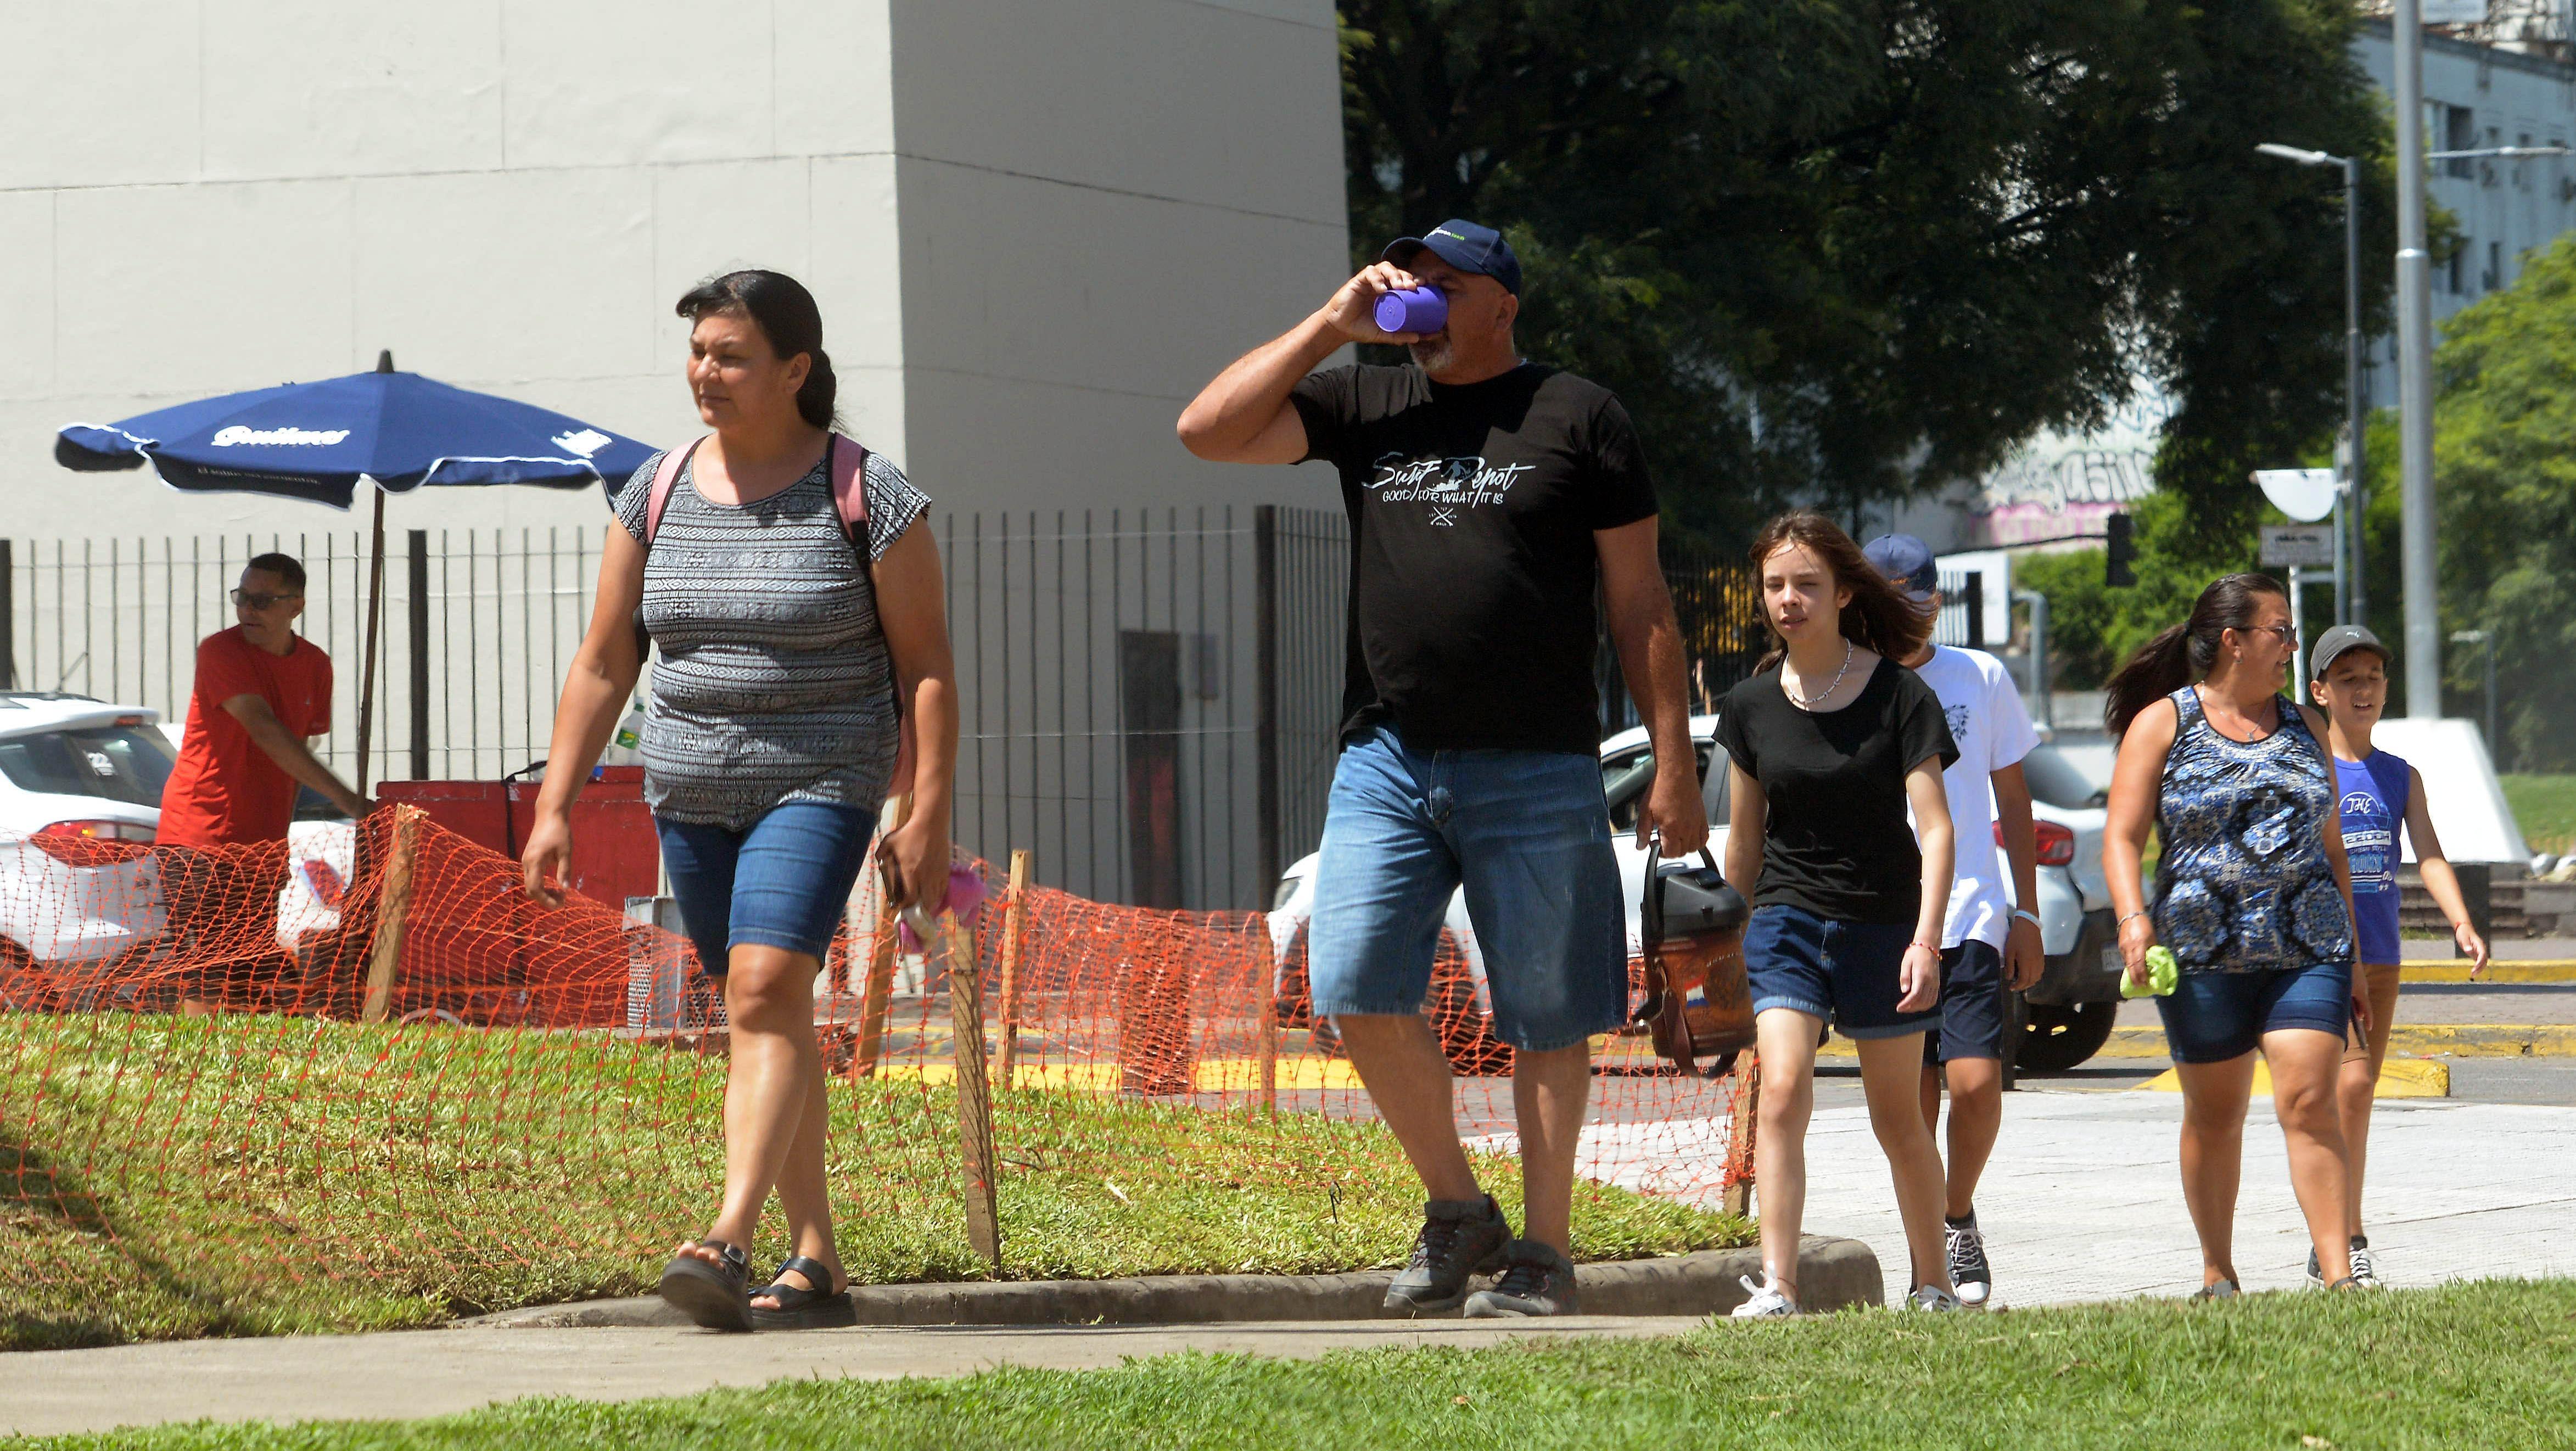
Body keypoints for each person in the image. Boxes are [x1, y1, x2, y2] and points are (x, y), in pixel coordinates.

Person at [1177, 219, 1704, 1318]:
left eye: (1442, 284)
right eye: (1407, 278)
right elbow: (1207, 432)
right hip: (1388, 754)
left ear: (1501, 302)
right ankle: (1460, 1208)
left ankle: (1546, 1254)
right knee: (1354, 980)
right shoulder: (1365, 403)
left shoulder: (1578, 415)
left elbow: (1641, 601)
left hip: (1538, 761)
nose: (1415, 296)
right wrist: (1334, 322)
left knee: (1549, 1015)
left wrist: (1673, 761)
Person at [522, 270, 958, 1332]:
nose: (704, 373)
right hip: (690, 784)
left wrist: (927, 809)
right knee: (765, 1015)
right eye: (700, 352)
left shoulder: (868, 493)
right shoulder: (657, 488)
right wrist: (556, 802)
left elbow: (928, 668)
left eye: (730, 355)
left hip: (822, 775)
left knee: (763, 990)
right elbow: (602, 659)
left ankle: (725, 1234)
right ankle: (819, 1260)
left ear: (796, 370)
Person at [1720, 512, 1962, 1317]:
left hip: (1885, 925)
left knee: (1899, 1116)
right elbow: (1747, 841)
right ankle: (1780, 1286)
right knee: (1783, 1090)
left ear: (1844, 591)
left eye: (1807, 584)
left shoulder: (1900, 694)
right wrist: (1729, 938)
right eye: (1775, 585)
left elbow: (1935, 827)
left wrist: (1927, 939)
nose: (1789, 599)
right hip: (1786, 919)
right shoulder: (1751, 704)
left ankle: (1933, 1282)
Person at [2102, 574, 2366, 1297]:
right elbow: (2121, 838)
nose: (2290, 644)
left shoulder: (2309, 726)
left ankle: (2340, 1275)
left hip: (2309, 944)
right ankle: (2218, 1269)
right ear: (2233, 640)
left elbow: (2333, 847)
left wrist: (2360, 963)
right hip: (2200, 952)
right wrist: (2133, 920)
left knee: (2310, 1100)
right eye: (2279, 630)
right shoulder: (2166, 721)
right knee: (2215, 1113)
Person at [1862, 534, 2043, 1309]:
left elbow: (2013, 798)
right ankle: (1927, 1257)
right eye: (1891, 592)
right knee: (1914, 1104)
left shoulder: (1980, 674)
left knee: (1973, 1085)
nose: (1909, 605)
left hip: (1971, 909)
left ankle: (1957, 1212)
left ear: (1938, 596)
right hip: (1887, 915)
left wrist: (2026, 909)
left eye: (1919, 591)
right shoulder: (1851, 679)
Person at [2306, 623, 2489, 1287]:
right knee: (2347, 1089)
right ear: (2320, 690)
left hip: (2383, 959)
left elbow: (2429, 853)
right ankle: (2346, 1235)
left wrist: (2461, 922)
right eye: (2348, 679)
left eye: (2374, 678)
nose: (2364, 690)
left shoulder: (2399, 775)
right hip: (2324, 958)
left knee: (2354, 1098)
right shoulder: (2309, 767)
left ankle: (2334, 1229)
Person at [156, 553, 375, 1014]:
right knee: (207, 969)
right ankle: (193, 1076)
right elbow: (264, 727)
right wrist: (347, 798)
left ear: (295, 605)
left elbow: (299, 746)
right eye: (242, 598)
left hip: (263, 841)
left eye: (262, 601)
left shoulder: (315, 663)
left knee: (250, 972)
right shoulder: (221, 651)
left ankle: (239, 1074)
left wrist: (284, 818)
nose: (248, 610)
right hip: (202, 835)